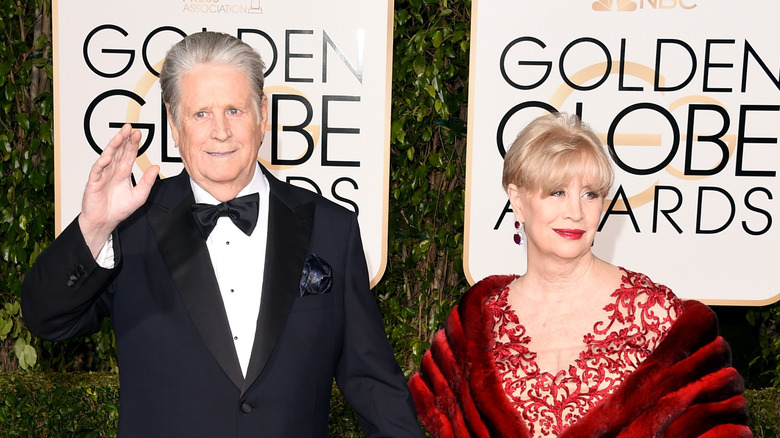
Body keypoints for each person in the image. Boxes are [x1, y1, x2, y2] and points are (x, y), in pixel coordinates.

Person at [22, 31, 424, 437]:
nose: (220, 131)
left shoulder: (331, 228)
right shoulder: (129, 227)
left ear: (262, 114)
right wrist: (94, 227)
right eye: (200, 114)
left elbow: (375, 387)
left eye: (234, 110)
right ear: (173, 124)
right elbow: (46, 318)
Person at [408, 113, 752, 437]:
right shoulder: (478, 324)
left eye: (590, 194)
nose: (575, 212)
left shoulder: (656, 315)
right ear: (518, 199)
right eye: (557, 192)